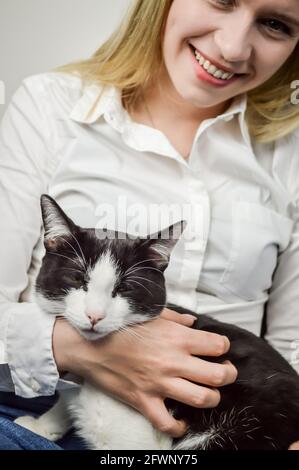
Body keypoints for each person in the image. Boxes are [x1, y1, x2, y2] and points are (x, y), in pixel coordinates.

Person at [1, 0, 299, 450]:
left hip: (223, 429)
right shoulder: (50, 105)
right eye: (221, 0)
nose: (233, 48)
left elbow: (292, 350)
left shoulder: (290, 155)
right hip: (45, 416)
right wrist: (77, 348)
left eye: (275, 24)